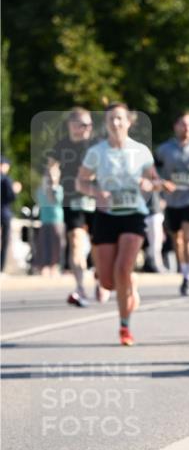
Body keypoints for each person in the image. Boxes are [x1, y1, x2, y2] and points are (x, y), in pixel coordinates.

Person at [76, 103, 163, 346]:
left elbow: (156, 181)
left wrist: (150, 185)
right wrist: (96, 191)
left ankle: (125, 327)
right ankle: (130, 283)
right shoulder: (97, 151)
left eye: (120, 119)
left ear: (129, 121)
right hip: (105, 215)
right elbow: (81, 182)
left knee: (123, 267)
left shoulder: (141, 150)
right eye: (111, 119)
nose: (116, 123)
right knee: (107, 282)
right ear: (105, 123)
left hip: (133, 214)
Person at [46, 107, 98, 306]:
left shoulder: (96, 145)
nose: (87, 128)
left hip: (96, 200)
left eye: (90, 124)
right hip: (72, 199)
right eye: (83, 124)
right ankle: (80, 287)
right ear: (71, 125)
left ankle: (100, 278)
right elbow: (51, 166)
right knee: (76, 241)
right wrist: (52, 183)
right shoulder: (61, 146)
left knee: (98, 244)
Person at [156, 112, 189, 297]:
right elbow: (153, 172)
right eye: (183, 125)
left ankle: (187, 278)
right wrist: (163, 182)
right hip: (172, 201)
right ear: (175, 126)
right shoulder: (164, 149)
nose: (187, 128)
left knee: (187, 237)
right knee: (177, 240)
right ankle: (184, 271)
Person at [35, 161, 65, 275]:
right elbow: (40, 199)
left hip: (56, 220)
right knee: (43, 245)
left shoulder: (59, 189)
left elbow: (57, 200)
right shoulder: (42, 189)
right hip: (45, 220)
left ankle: (54, 266)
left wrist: (54, 187)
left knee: (56, 245)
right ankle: (43, 267)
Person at [1, 156, 17, 273]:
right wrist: (15, 190)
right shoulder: (6, 179)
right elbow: (11, 197)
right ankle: (1, 267)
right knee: (4, 241)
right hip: (4, 213)